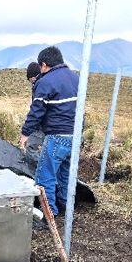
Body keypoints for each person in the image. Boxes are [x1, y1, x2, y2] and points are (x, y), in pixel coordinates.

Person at [19, 46, 79, 218]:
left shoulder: (45, 82)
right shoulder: (75, 78)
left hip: (57, 136)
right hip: (74, 136)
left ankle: (49, 215)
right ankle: (66, 207)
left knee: (44, 178)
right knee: (66, 174)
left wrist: (25, 134)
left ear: (44, 65)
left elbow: (36, 111)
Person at [23, 62, 45, 161]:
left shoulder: (40, 85)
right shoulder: (47, 81)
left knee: (31, 148)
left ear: (32, 77)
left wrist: (26, 132)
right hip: (60, 125)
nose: (30, 82)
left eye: (29, 79)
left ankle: (41, 171)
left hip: (44, 124)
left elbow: (37, 110)